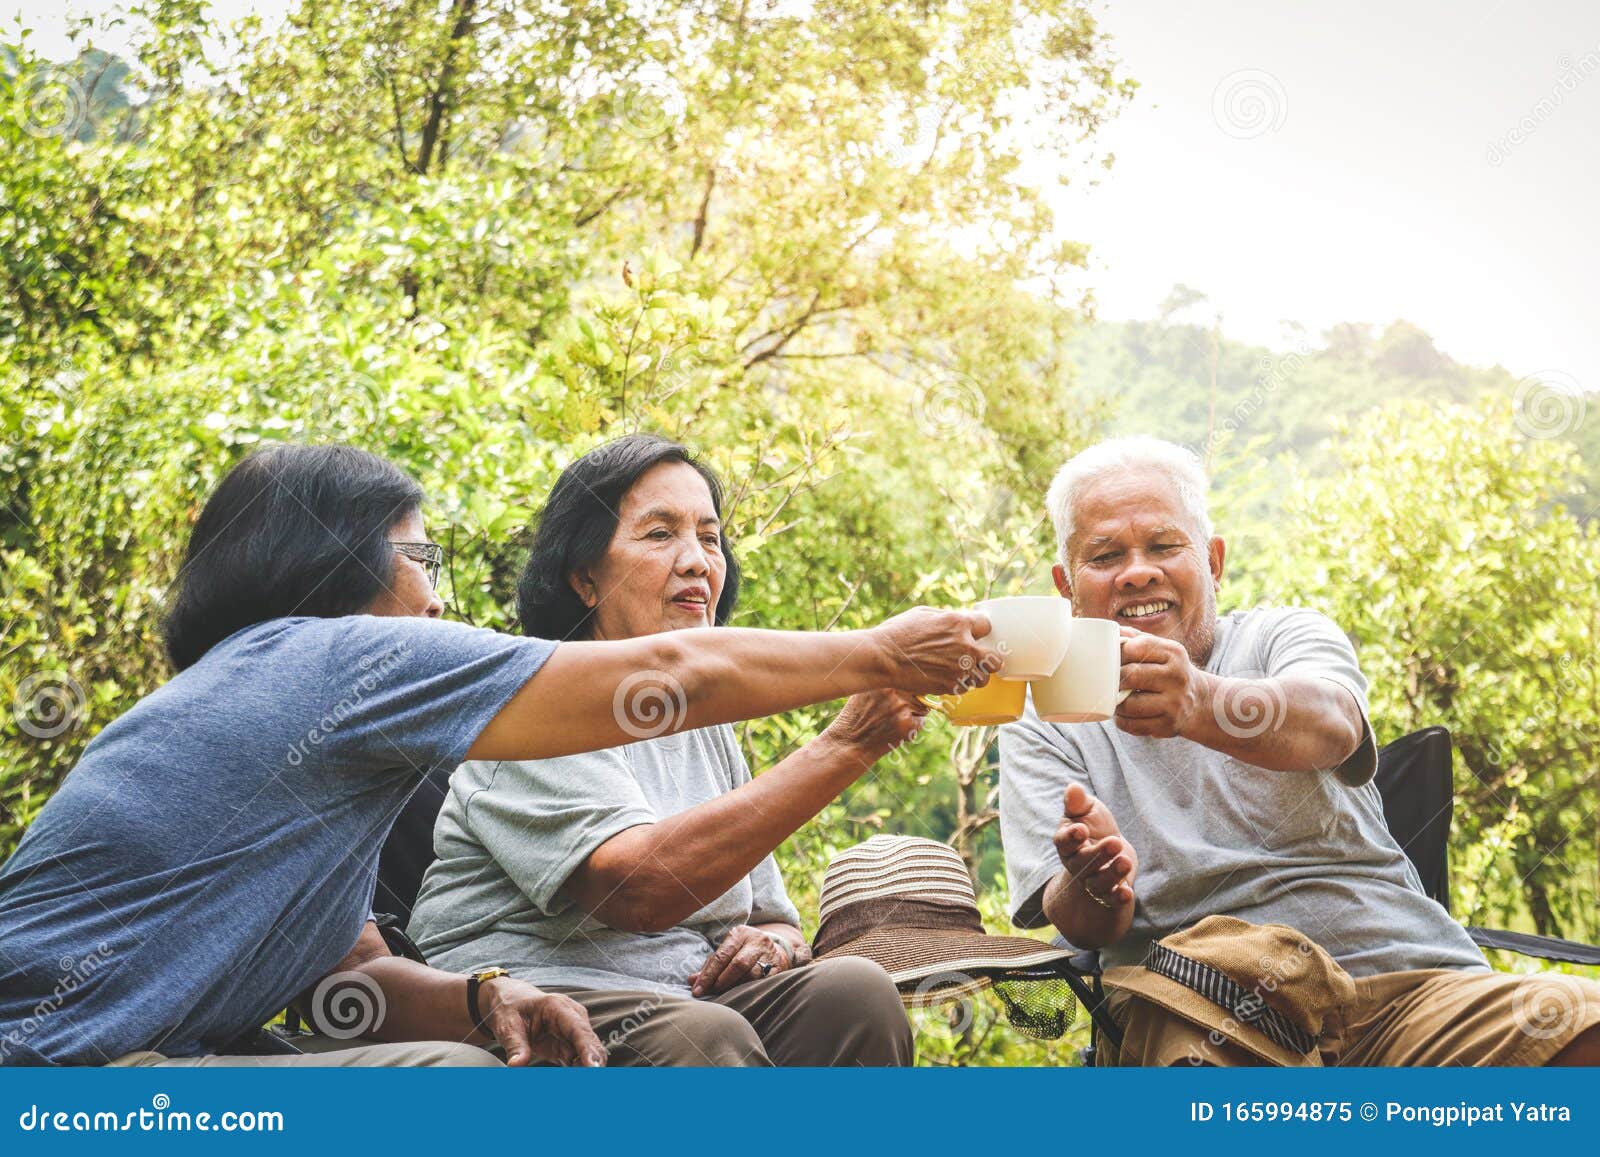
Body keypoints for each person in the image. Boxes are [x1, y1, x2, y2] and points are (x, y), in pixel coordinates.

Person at [0, 443, 996, 1067]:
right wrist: (877, 653)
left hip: (154, 1055)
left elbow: (344, 977)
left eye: (710, 533)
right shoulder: (326, 654)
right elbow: (679, 678)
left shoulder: (282, 715)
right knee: (460, 1084)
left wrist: (482, 995)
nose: (438, 597)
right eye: (420, 559)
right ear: (333, 566)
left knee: (838, 993)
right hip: (62, 1070)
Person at [998, 436, 1600, 1066]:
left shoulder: (1284, 636)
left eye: (1165, 546)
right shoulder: (1043, 718)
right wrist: (1093, 883)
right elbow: (1073, 922)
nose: (1139, 570)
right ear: (1067, 585)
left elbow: (1333, 724)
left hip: (1410, 991)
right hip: (1204, 1011)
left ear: (1214, 562)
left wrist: (1199, 703)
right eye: (1106, 554)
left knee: (1579, 1027)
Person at [404, 435, 920, 1066]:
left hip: (688, 992)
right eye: (659, 535)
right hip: (532, 991)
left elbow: (772, 916)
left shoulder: (706, 722)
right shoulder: (538, 698)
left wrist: (773, 944)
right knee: (702, 1037)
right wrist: (849, 744)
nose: (698, 561)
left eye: (710, 537)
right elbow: (640, 889)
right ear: (584, 578)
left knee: (856, 993)